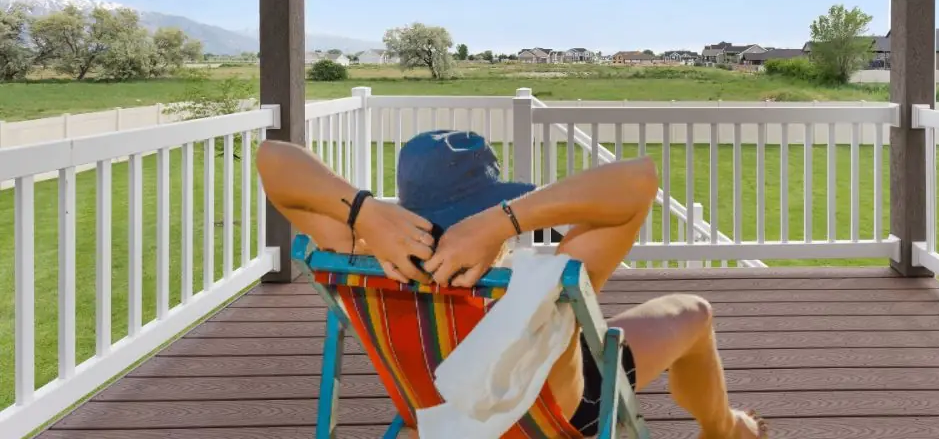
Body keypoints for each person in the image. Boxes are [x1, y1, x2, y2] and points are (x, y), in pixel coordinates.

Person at [257, 129, 765, 438]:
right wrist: (501, 223)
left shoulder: (357, 253)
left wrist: (366, 213)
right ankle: (726, 431)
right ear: (488, 200)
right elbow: (638, 181)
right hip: (549, 420)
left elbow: (272, 159)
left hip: (426, 408)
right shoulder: (538, 282)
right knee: (693, 312)